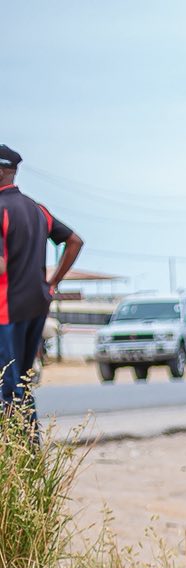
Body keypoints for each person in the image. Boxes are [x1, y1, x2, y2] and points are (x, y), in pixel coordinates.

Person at [0, 145, 84, 413]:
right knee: (22, 383)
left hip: (6, 309)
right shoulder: (38, 210)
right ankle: (30, 449)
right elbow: (74, 241)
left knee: (7, 384)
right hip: (36, 304)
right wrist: (53, 282)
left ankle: (14, 450)